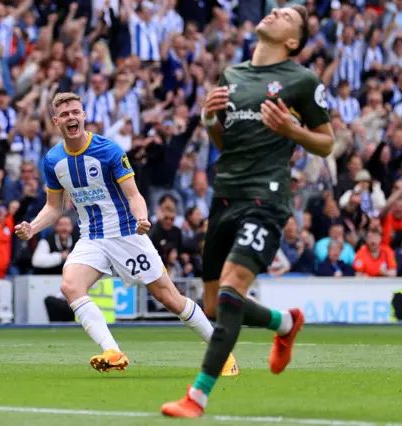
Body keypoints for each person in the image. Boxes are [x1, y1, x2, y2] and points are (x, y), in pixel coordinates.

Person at [162, 5, 334, 417]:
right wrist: (208, 120)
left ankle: (197, 397)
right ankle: (285, 323)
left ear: (293, 41)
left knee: (232, 287)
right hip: (224, 197)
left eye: (288, 14)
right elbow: (226, 145)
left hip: (267, 198)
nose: (275, 10)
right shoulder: (233, 76)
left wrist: (292, 130)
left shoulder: (302, 80)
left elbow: (327, 142)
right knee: (214, 306)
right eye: (276, 8)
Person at [14, 92, 238, 376]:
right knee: (70, 286)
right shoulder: (53, 160)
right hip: (92, 238)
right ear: (57, 121)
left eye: (76, 112)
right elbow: (53, 207)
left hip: (126, 235)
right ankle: (112, 350)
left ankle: (222, 352)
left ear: (84, 115)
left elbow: (134, 194)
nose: (72, 117)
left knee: (170, 298)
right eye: (65, 114)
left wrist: (142, 218)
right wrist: (32, 227)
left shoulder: (109, 150)